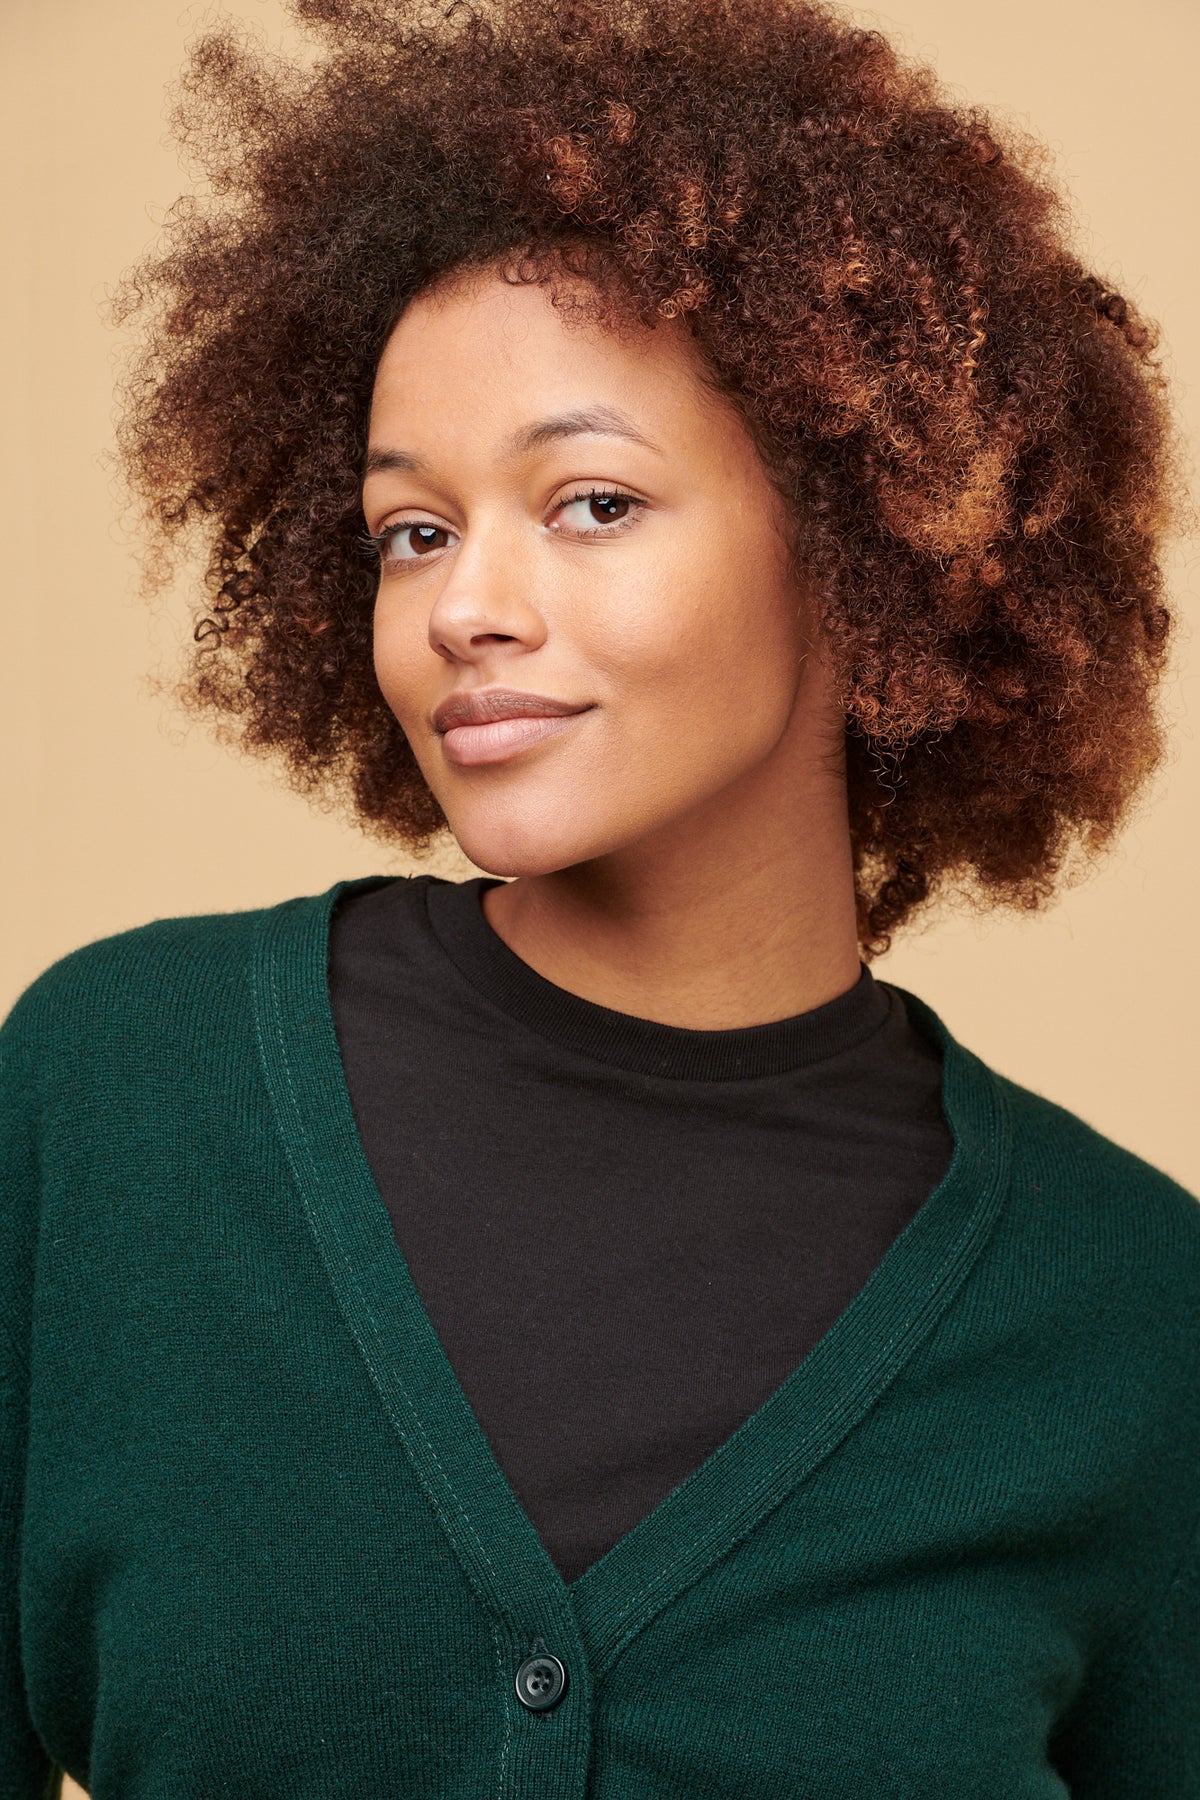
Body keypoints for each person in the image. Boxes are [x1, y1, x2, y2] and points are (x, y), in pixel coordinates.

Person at [3, 0, 1196, 1792]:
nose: (464, 606)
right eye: (413, 529)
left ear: (870, 535)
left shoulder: (1125, 1311)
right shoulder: (122, 1095)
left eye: (589, 504)